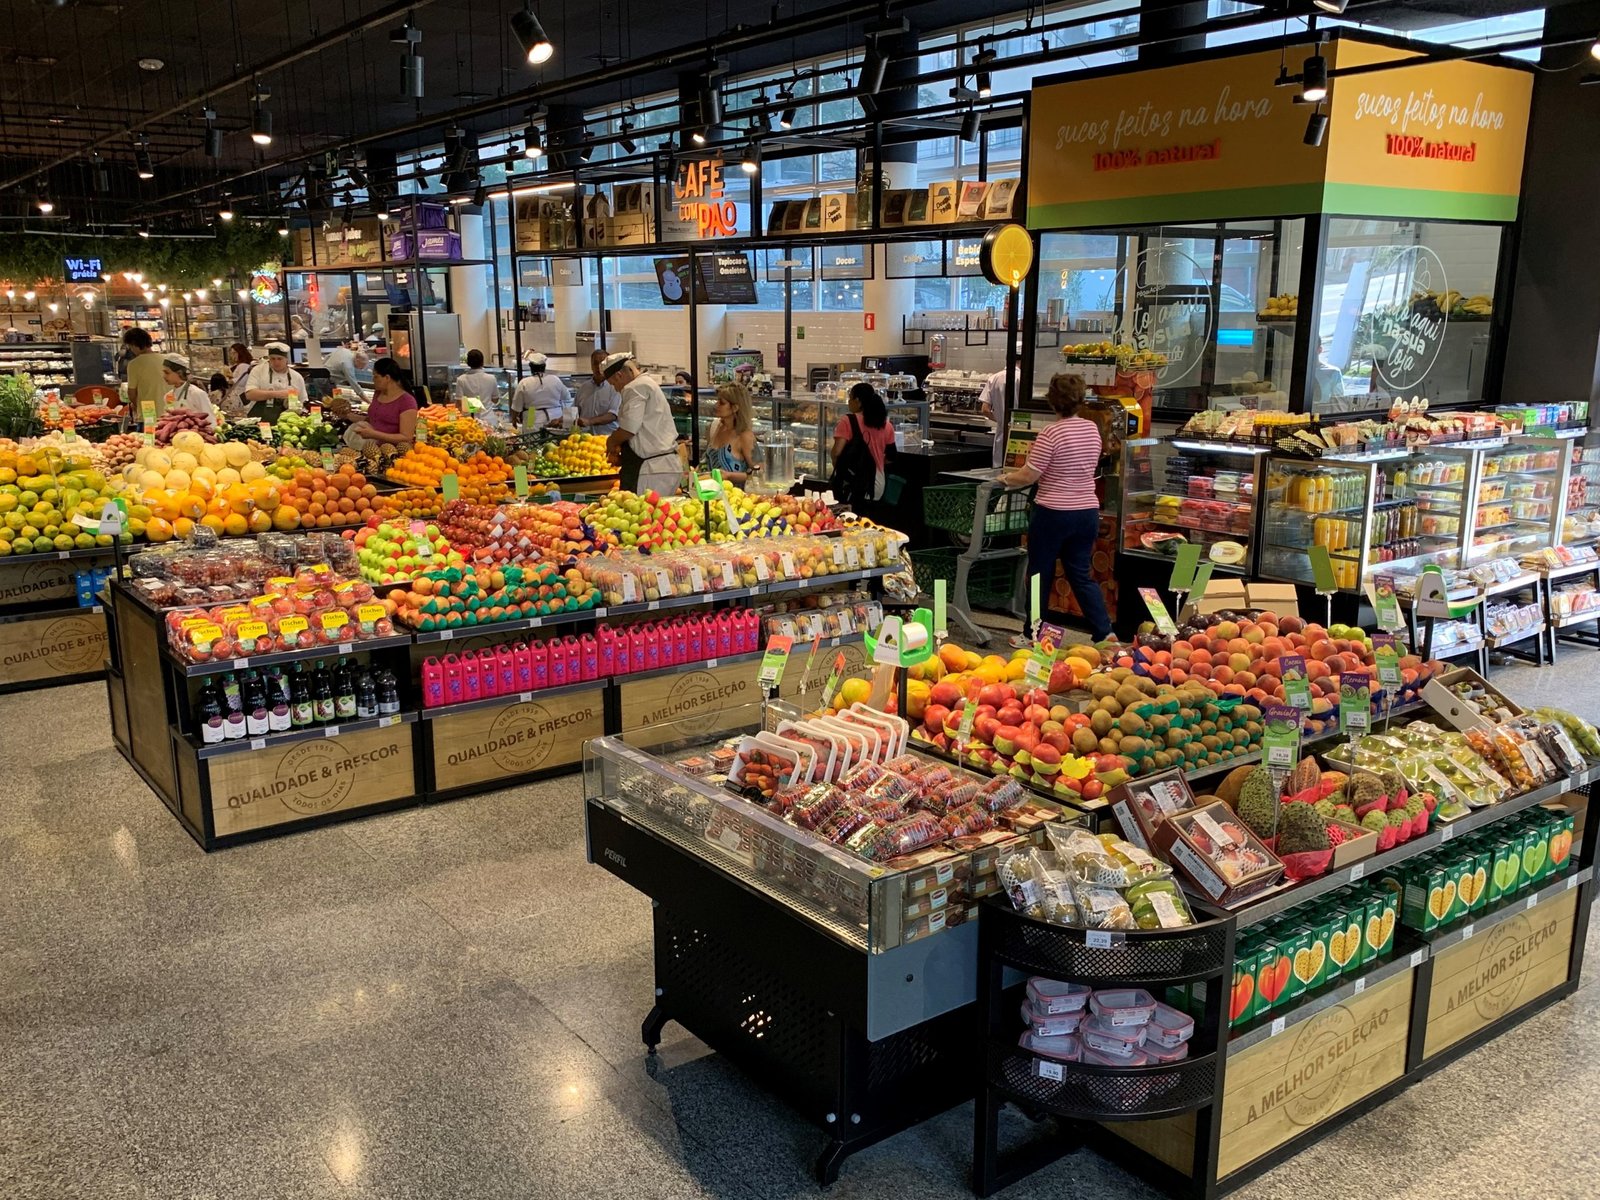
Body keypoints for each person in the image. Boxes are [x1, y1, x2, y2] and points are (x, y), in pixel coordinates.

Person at [1000, 373, 1111, 642]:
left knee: (1040, 574)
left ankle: (1034, 633)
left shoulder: (1051, 433)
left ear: (1052, 401)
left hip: (1053, 513)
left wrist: (1004, 478)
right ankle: (1104, 632)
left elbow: (1029, 475)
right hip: (1086, 512)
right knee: (1081, 575)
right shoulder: (1091, 429)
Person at [604, 353, 682, 496]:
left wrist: (612, 441)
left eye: (613, 384)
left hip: (652, 470)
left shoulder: (635, 387)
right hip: (661, 467)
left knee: (646, 514)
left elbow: (629, 428)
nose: (615, 389)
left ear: (619, 375)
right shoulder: (646, 383)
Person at [830, 382, 896, 511]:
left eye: (851, 398)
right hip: (876, 486)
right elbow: (891, 456)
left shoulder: (848, 421)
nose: (849, 402)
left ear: (858, 401)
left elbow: (837, 452)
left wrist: (839, 470)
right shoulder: (886, 425)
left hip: (852, 485)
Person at [344, 357, 418, 450]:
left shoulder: (407, 401)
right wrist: (350, 416)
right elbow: (376, 420)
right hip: (370, 448)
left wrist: (373, 434)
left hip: (391, 452)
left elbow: (406, 437)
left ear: (387, 378)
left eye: (376, 376)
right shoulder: (378, 394)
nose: (373, 380)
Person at [703, 382, 758, 485]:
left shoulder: (745, 436)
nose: (717, 405)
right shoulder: (716, 427)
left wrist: (729, 475)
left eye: (722, 403)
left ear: (735, 408)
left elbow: (759, 474)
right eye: (717, 401)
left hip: (736, 498)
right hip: (711, 495)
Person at [978, 356, 1022, 469]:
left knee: (1000, 473)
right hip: (1021, 435)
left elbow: (985, 410)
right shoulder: (1024, 378)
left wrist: (1001, 420)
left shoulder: (994, 378)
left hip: (1001, 434)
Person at [509, 352, 571, 430]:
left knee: (532, 437)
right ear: (544, 366)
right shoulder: (555, 379)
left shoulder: (524, 382)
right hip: (555, 415)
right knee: (553, 439)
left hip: (532, 413)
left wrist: (514, 419)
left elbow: (517, 406)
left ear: (531, 367)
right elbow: (567, 398)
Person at [242, 342, 308, 410]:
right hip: (261, 417)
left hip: (289, 417)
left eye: (279, 359)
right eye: (273, 359)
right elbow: (249, 394)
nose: (276, 362)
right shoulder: (258, 371)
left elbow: (303, 401)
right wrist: (279, 394)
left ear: (286, 359)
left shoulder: (296, 377)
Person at [159, 354, 216, 430]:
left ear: (179, 372)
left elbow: (211, 421)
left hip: (197, 437)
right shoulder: (168, 396)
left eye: (167, 373)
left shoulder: (197, 394)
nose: (164, 376)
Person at [572, 349, 621, 434]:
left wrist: (590, 421)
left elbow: (613, 415)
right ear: (591, 366)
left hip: (607, 438)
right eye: (595, 363)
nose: (599, 367)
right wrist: (561, 420)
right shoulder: (584, 387)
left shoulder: (615, 387)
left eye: (602, 363)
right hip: (585, 439)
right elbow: (574, 410)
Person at [122, 328, 168, 412]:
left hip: (148, 411)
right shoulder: (166, 359)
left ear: (134, 345)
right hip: (169, 409)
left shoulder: (134, 364)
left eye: (130, 346)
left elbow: (131, 393)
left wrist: (138, 406)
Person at [453, 349, 501, 413]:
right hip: (488, 418)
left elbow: (459, 403)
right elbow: (495, 400)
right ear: (482, 362)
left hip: (470, 419)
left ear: (468, 363)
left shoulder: (461, 379)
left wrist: (473, 405)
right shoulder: (491, 378)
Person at [225, 343, 254, 408]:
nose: (232, 355)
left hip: (241, 396)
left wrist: (229, 381)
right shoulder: (237, 365)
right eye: (231, 353)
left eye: (234, 353)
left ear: (241, 353)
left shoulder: (243, 365)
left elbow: (242, 381)